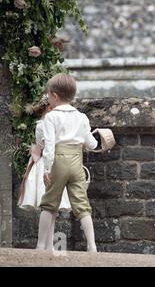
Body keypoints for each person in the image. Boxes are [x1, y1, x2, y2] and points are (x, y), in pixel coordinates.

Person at [36, 74, 98, 252]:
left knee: (49, 203)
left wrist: (47, 169)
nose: (48, 97)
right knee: (82, 204)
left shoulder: (51, 117)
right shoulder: (82, 117)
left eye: (48, 94)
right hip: (76, 161)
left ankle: (41, 246)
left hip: (59, 160)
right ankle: (92, 246)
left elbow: (49, 147)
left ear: (54, 95)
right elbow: (92, 144)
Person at [17, 94, 71, 250]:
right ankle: (42, 245)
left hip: (51, 162)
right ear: (49, 107)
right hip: (47, 165)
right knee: (49, 207)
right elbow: (47, 147)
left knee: (52, 209)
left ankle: (49, 245)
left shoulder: (47, 123)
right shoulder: (43, 124)